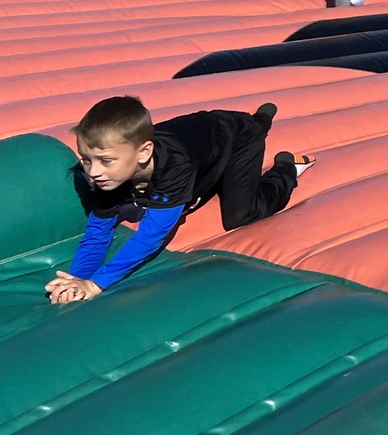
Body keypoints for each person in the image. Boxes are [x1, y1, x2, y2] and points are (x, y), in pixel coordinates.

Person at [45, 96, 313, 303]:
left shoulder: (174, 167)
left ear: (143, 153)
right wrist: (77, 278)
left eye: (105, 161)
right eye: (86, 160)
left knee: (241, 215)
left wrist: (95, 284)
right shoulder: (111, 172)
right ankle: (259, 122)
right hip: (201, 141)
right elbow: (98, 232)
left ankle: (284, 165)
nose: (93, 172)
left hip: (236, 136)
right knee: (191, 192)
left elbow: (151, 237)